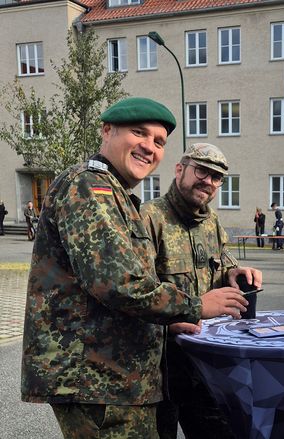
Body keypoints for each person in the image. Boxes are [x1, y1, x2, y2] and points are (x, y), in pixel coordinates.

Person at [21, 97, 249, 439]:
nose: (149, 147)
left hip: (119, 378)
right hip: (97, 379)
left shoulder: (119, 196)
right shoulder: (90, 186)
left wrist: (169, 324)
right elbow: (119, 283)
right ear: (107, 131)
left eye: (159, 142)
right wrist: (198, 305)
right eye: (139, 133)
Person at [141, 143, 262, 439]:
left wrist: (234, 273)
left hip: (206, 364)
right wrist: (171, 322)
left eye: (216, 177)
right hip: (159, 367)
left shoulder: (212, 223)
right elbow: (133, 291)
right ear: (180, 169)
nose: (208, 181)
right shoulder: (148, 218)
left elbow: (221, 265)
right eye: (202, 171)